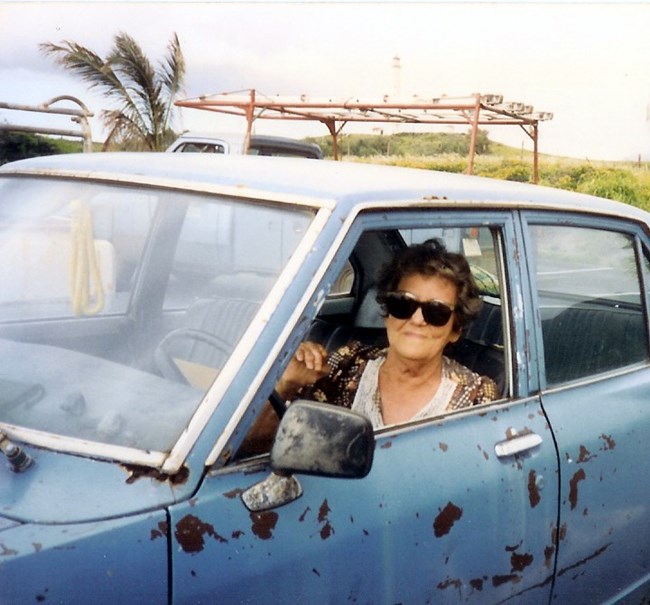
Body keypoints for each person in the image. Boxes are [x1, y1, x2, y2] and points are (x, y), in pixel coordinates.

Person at [275, 238, 498, 429]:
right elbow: (263, 445)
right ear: (387, 313)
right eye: (403, 304)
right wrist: (288, 384)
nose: (417, 320)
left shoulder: (475, 396)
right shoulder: (347, 363)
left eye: (436, 312)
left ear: (455, 330)